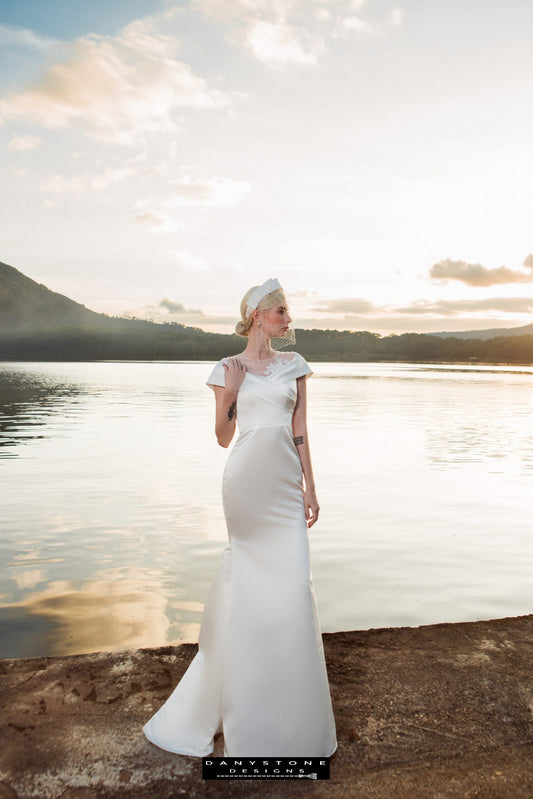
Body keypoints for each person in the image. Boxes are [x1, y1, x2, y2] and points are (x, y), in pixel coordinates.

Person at [143, 277, 337, 757]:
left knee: (293, 588)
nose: (288, 320)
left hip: (286, 487)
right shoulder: (227, 368)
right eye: (280, 312)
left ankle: (293, 721)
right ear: (257, 316)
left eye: (288, 312)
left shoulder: (295, 365)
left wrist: (311, 486)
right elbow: (223, 438)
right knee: (250, 587)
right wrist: (230, 393)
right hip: (246, 484)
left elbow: (300, 430)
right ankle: (245, 714)